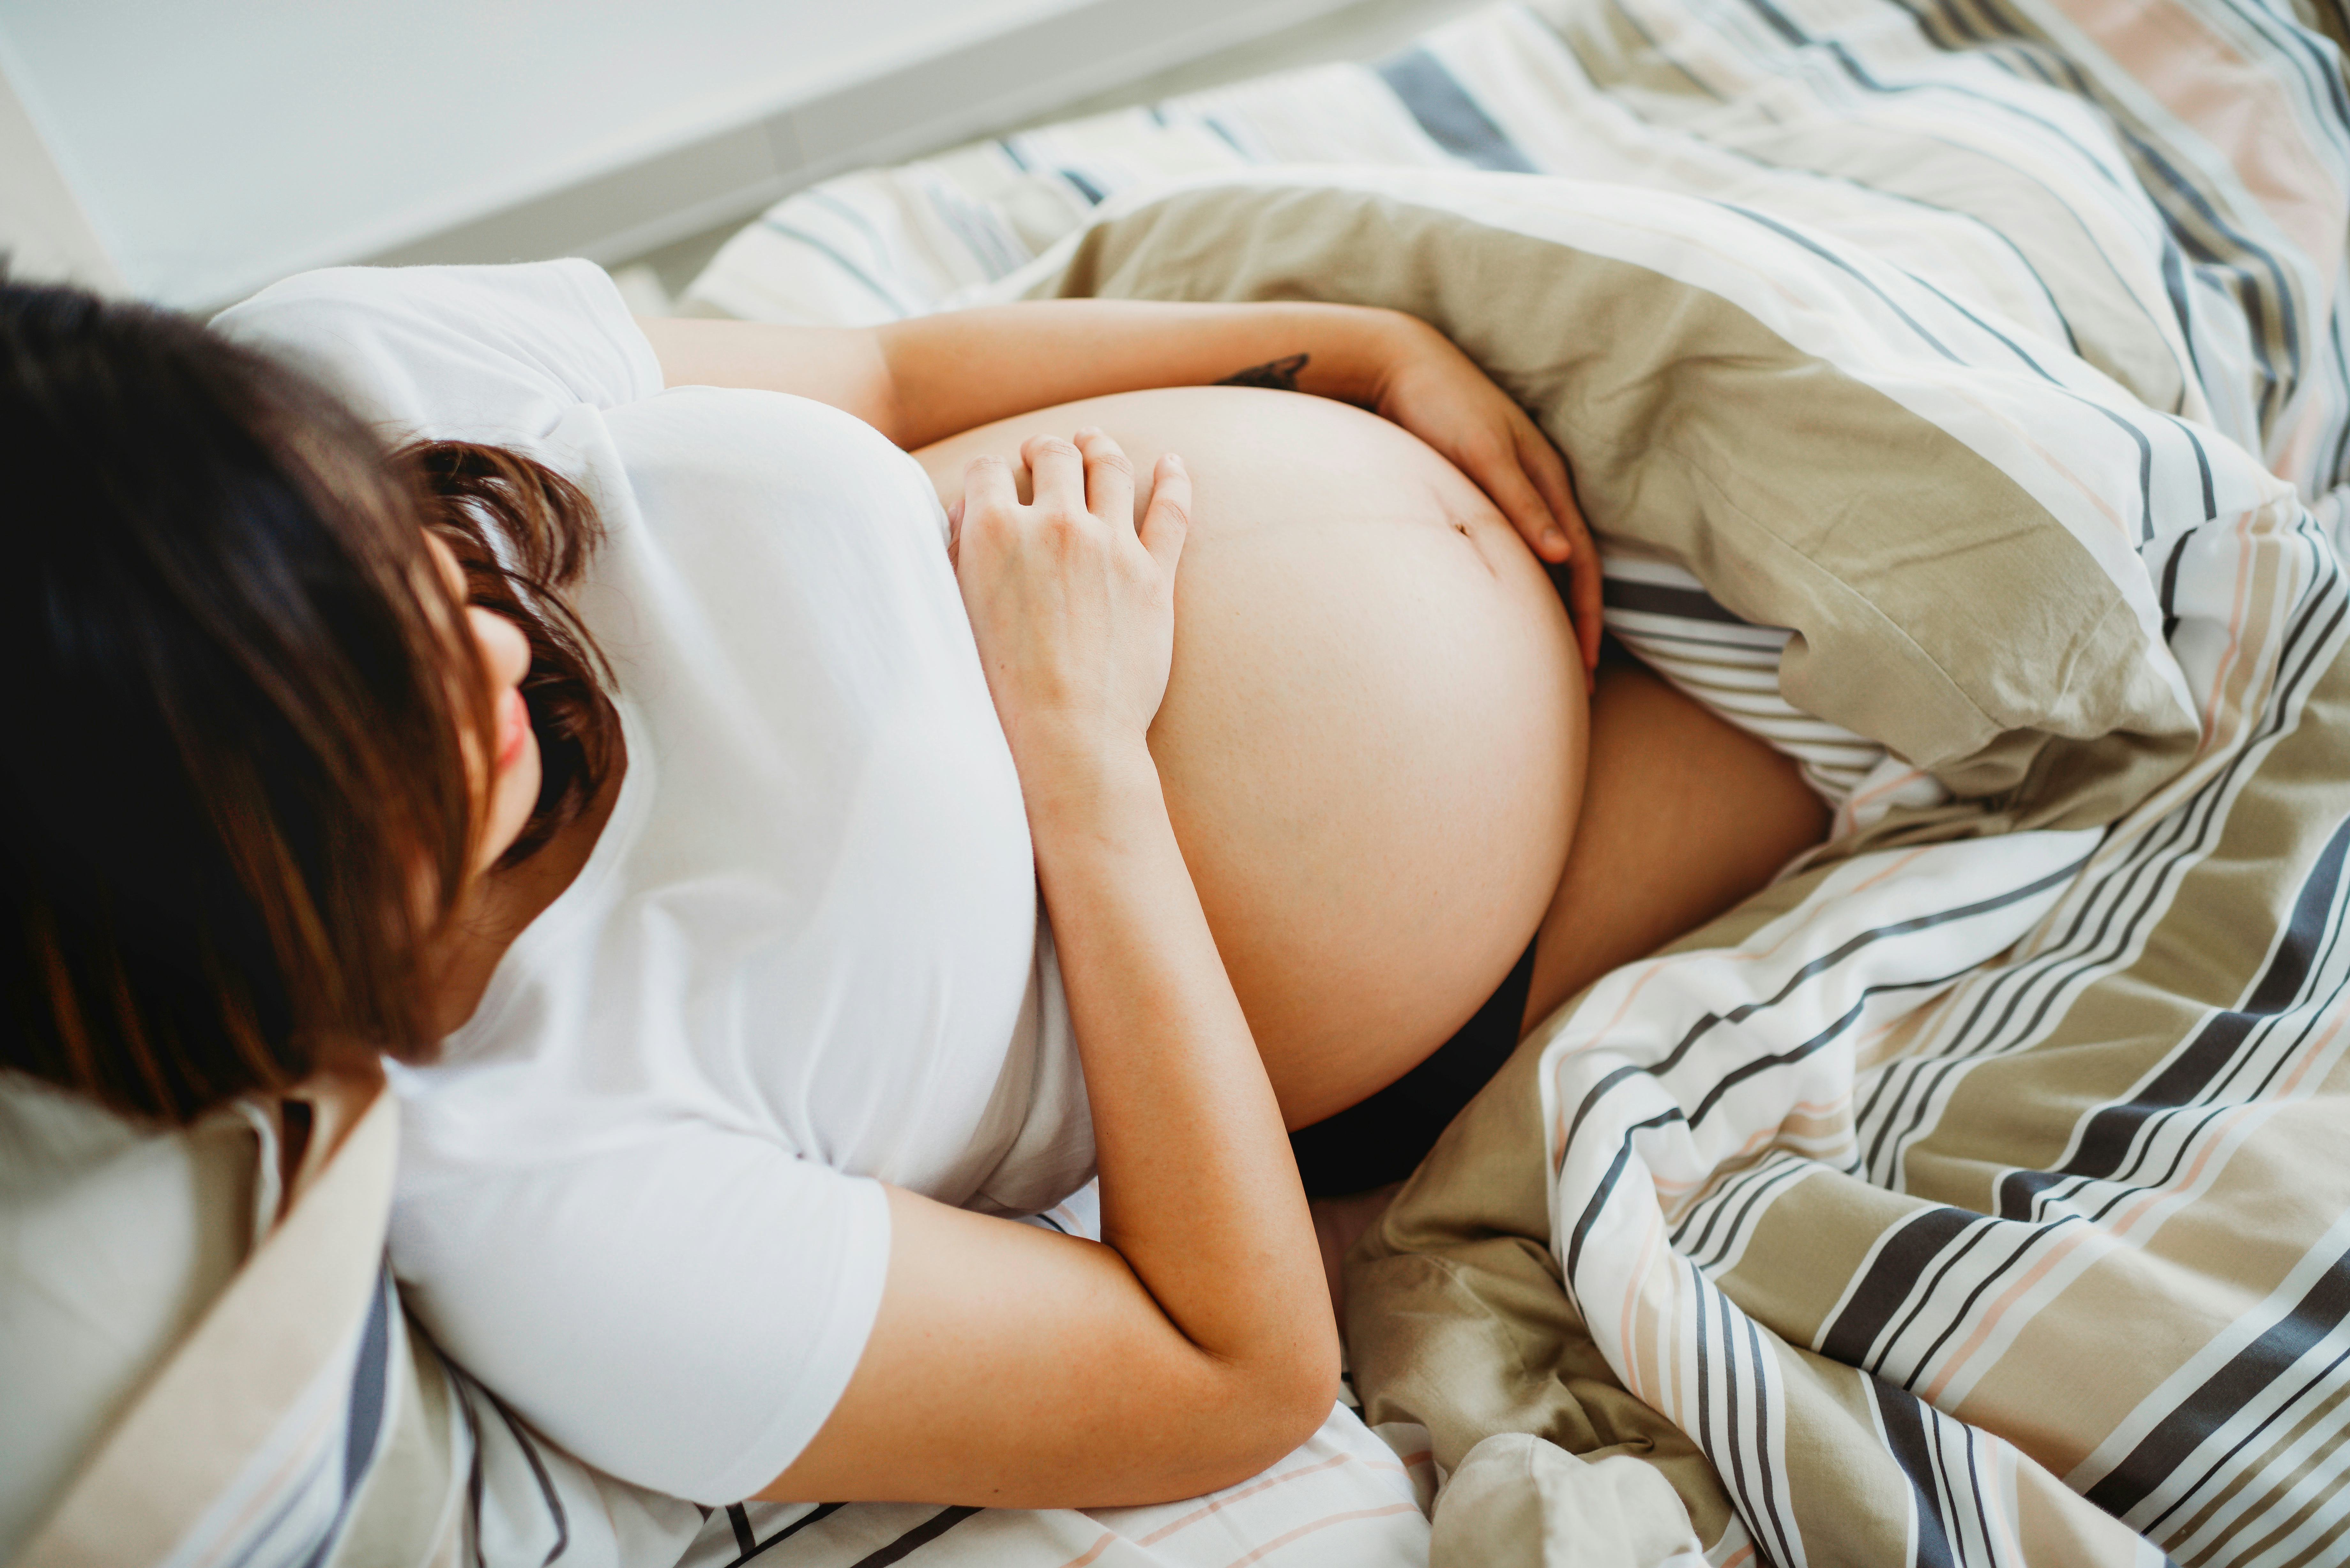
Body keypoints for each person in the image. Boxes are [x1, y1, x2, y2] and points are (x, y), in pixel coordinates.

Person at [0, 260, 1824, 1543]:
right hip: (1464, 972)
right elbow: (1235, 1372)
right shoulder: (547, 1202)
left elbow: (880, 372)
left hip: (1470, 474)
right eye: (376, 727)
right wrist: (1080, 753)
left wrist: (1351, 342)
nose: (482, 648)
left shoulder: (305, 391)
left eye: (398, 560)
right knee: (1910, 742)